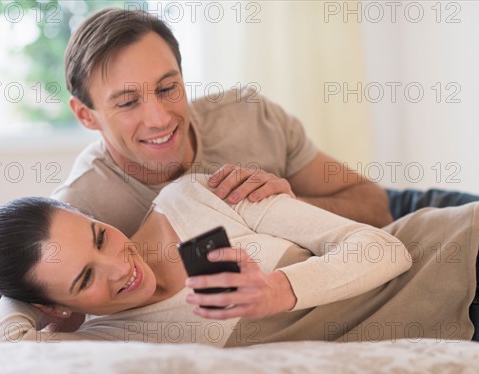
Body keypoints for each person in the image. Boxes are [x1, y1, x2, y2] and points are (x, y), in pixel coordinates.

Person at [0, 175, 479, 351]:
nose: (120, 266)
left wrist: (279, 289)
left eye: (98, 236)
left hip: (471, 246)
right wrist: (27, 298)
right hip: (469, 330)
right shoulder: (108, 341)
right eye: (86, 277)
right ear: (55, 306)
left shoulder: (190, 203)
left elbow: (385, 249)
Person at [52, 7, 395, 234]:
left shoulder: (252, 117)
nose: (159, 118)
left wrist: (288, 209)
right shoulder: (81, 211)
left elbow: (378, 208)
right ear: (86, 115)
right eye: (128, 102)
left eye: (168, 87)